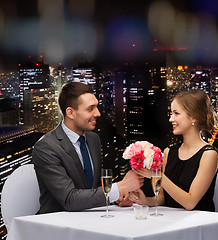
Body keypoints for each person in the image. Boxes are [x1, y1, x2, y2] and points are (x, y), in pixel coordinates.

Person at [32, 82, 143, 214]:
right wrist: (120, 187)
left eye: (96, 107)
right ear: (70, 113)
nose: (98, 113)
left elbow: (92, 188)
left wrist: (115, 198)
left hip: (89, 219)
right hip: (56, 225)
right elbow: (69, 199)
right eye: (90, 109)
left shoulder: (93, 139)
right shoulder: (46, 147)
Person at [129, 89, 218, 211]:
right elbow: (162, 198)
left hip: (198, 224)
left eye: (176, 113)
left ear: (194, 117)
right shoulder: (169, 152)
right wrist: (144, 201)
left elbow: (190, 203)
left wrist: (158, 175)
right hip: (172, 219)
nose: (171, 119)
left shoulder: (209, 155)